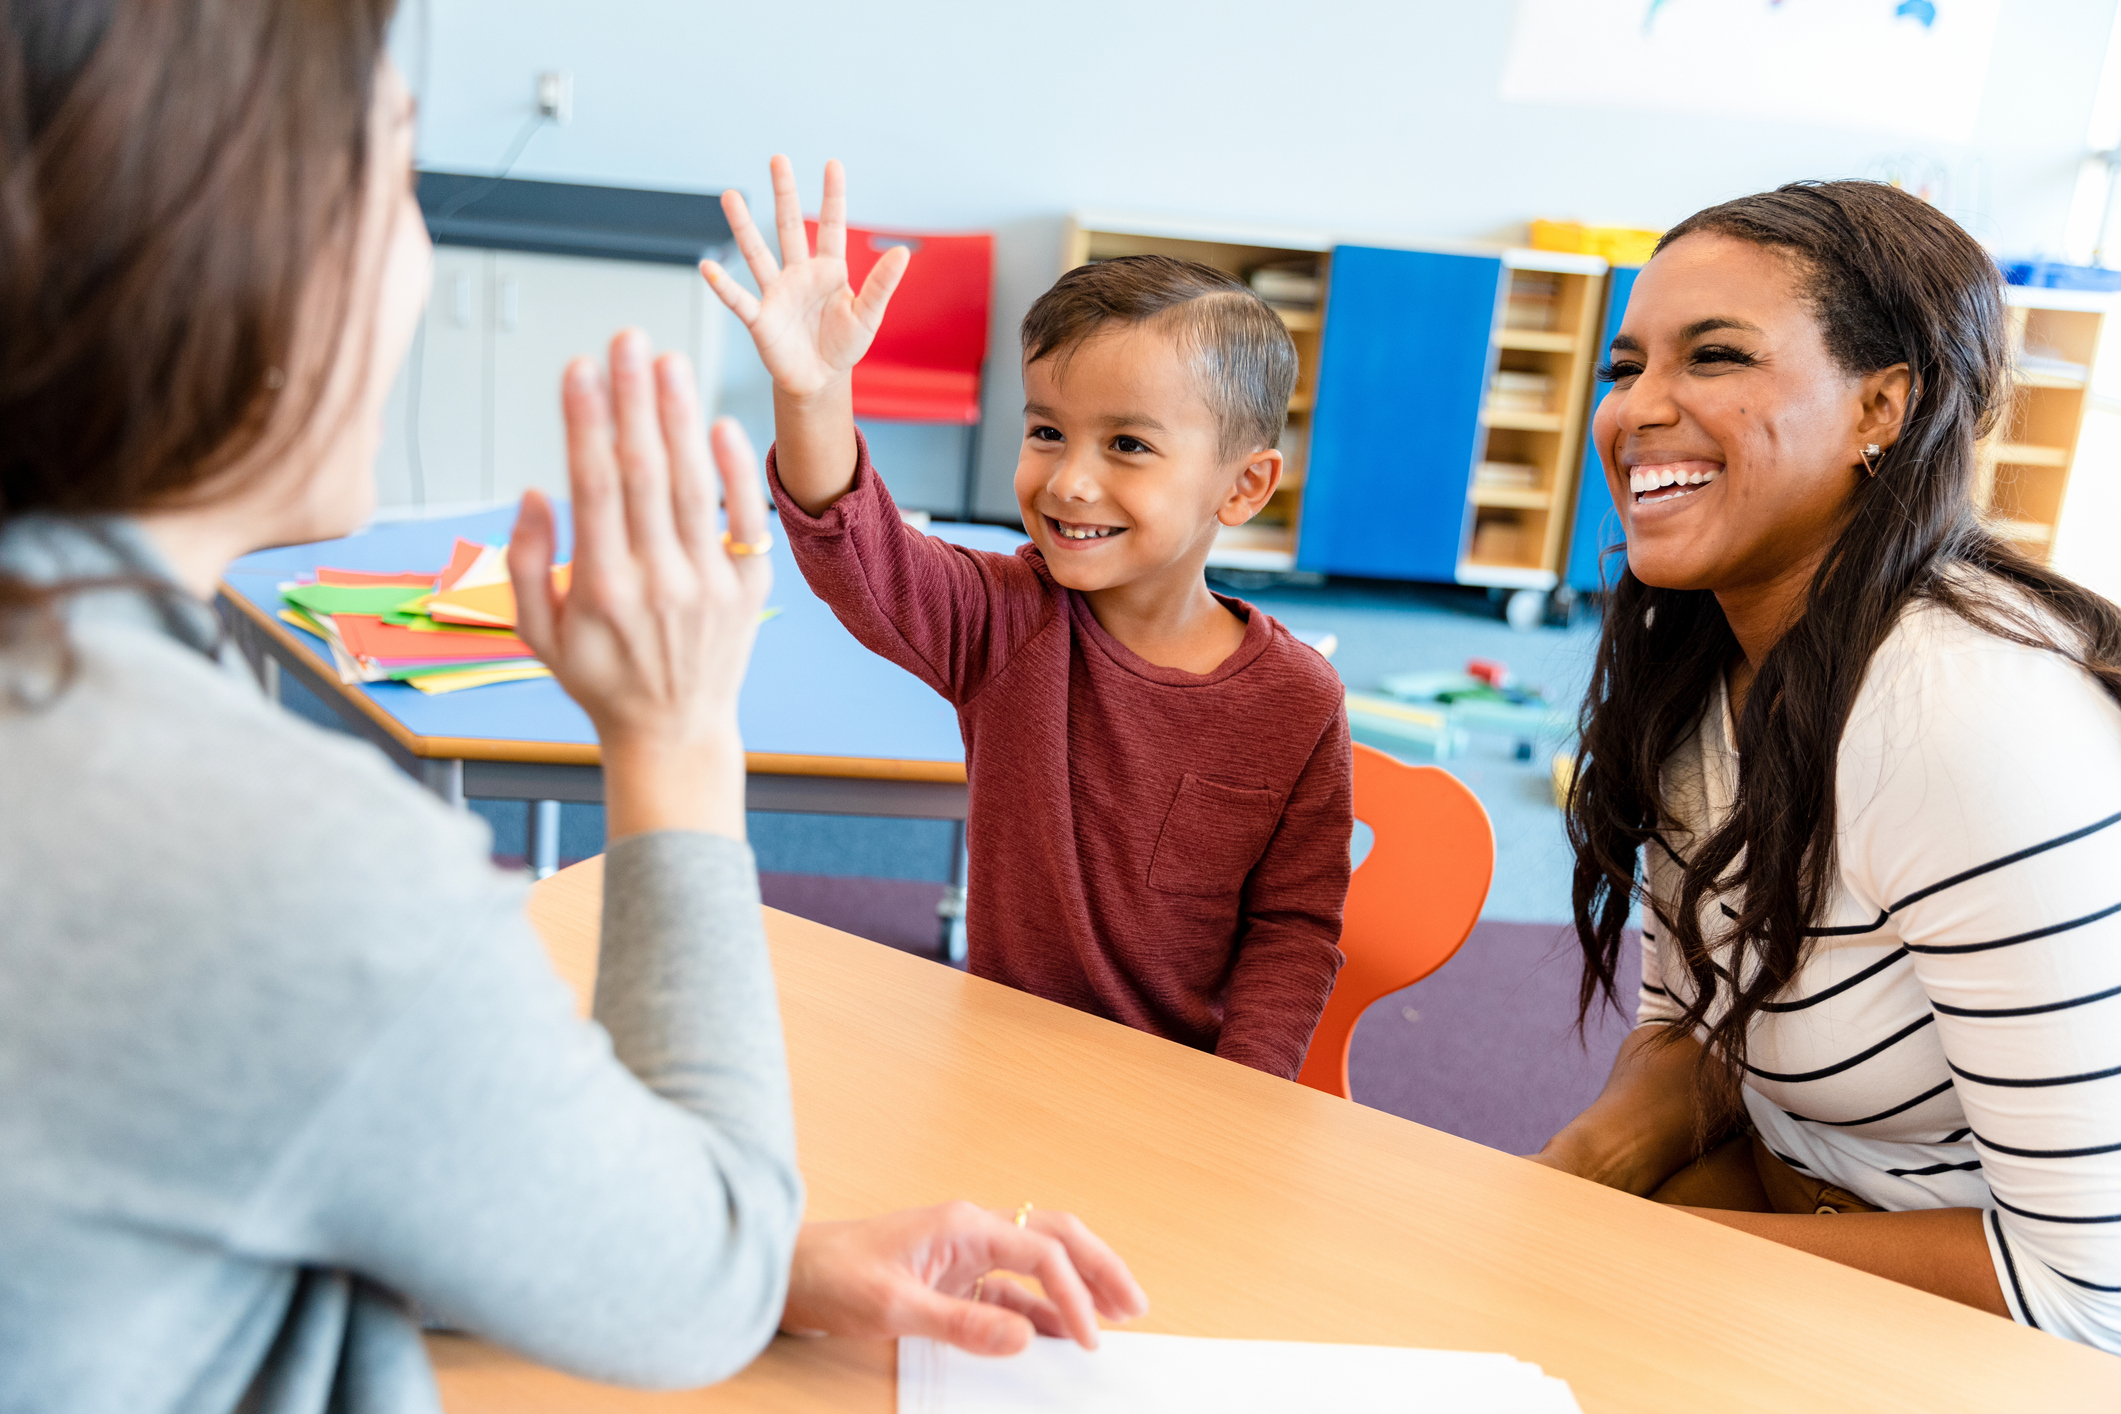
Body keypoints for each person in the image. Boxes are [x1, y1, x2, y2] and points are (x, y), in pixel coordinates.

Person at [0, 5, 1146, 1411]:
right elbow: (687, 1289)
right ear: (233, 252)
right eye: (399, 181)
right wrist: (675, 733)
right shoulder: (281, 862)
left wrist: (738, 1251)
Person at [1533, 180, 2121, 1351]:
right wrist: (1559, 1178)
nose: (1638, 410)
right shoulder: (1700, 648)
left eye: (1714, 357)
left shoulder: (1969, 719)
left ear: (1882, 407)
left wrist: (1634, 1249)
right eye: (1624, 365)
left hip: (2000, 1316)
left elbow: (2087, 1299)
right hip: (1793, 1200)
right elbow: (1697, 1030)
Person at [701, 159, 1353, 1081]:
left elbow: (1292, 929)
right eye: (1046, 430)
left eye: (1127, 444)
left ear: (1242, 485)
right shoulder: (1008, 621)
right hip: (1000, 1069)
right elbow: (859, 554)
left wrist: (1236, 1101)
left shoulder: (1298, 700)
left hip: (1188, 1097)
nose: (1068, 479)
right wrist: (813, 393)